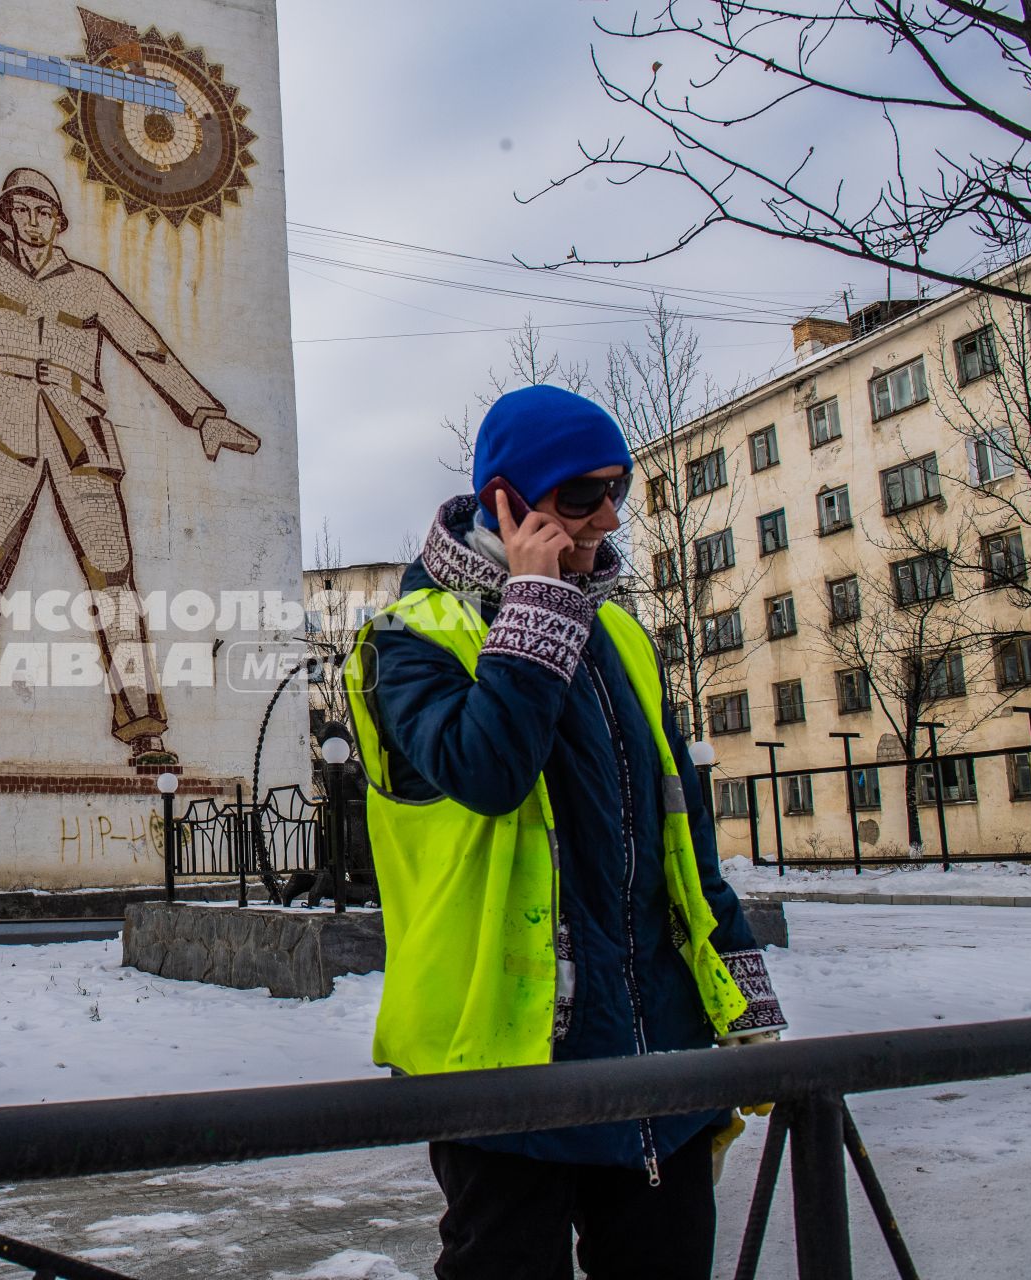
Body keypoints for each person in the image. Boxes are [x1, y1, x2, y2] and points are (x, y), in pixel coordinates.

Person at [342, 385, 786, 1279]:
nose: (607, 517)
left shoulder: (621, 633)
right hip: (502, 1064)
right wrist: (535, 604)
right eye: (580, 496)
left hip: (656, 1051)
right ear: (508, 501)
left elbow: (684, 843)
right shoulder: (410, 639)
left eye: (617, 489)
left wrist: (744, 1000)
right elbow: (490, 774)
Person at [0, 0, 261, 769]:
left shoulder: (90, 286)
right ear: (5, 221)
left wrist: (202, 413)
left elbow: (148, 348)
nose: (30, 220)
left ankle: (147, 733)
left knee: (116, 581)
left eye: (43, 210)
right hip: (6, 432)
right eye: (19, 209)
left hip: (84, 441)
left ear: (57, 223)